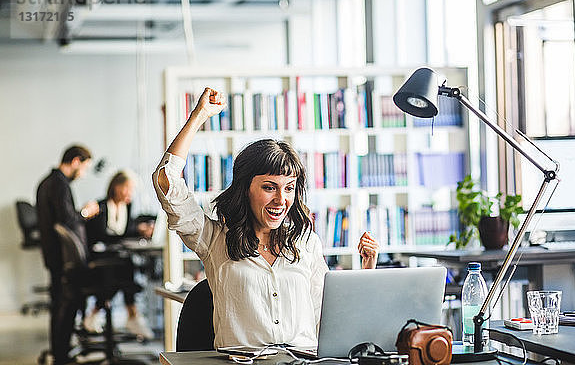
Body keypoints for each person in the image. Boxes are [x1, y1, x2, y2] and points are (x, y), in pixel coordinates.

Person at [152, 87, 379, 349]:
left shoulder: (306, 243)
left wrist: (367, 271)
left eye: (289, 188)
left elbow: (327, 320)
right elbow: (166, 181)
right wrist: (200, 115)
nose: (281, 200)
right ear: (245, 188)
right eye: (269, 187)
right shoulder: (214, 239)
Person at [36, 145, 100, 365]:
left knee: (60, 305)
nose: (82, 174)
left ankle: (61, 352)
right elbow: (67, 220)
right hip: (62, 258)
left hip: (54, 256)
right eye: (84, 168)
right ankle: (61, 355)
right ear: (75, 161)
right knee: (64, 305)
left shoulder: (49, 182)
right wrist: (86, 212)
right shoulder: (58, 184)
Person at [83, 170, 155, 340]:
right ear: (116, 187)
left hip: (116, 258)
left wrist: (140, 230)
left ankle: (97, 313)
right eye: (127, 188)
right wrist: (135, 230)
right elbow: (103, 234)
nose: (130, 193)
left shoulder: (127, 207)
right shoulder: (100, 206)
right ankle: (132, 316)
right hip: (97, 258)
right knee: (123, 272)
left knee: (124, 267)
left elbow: (125, 230)